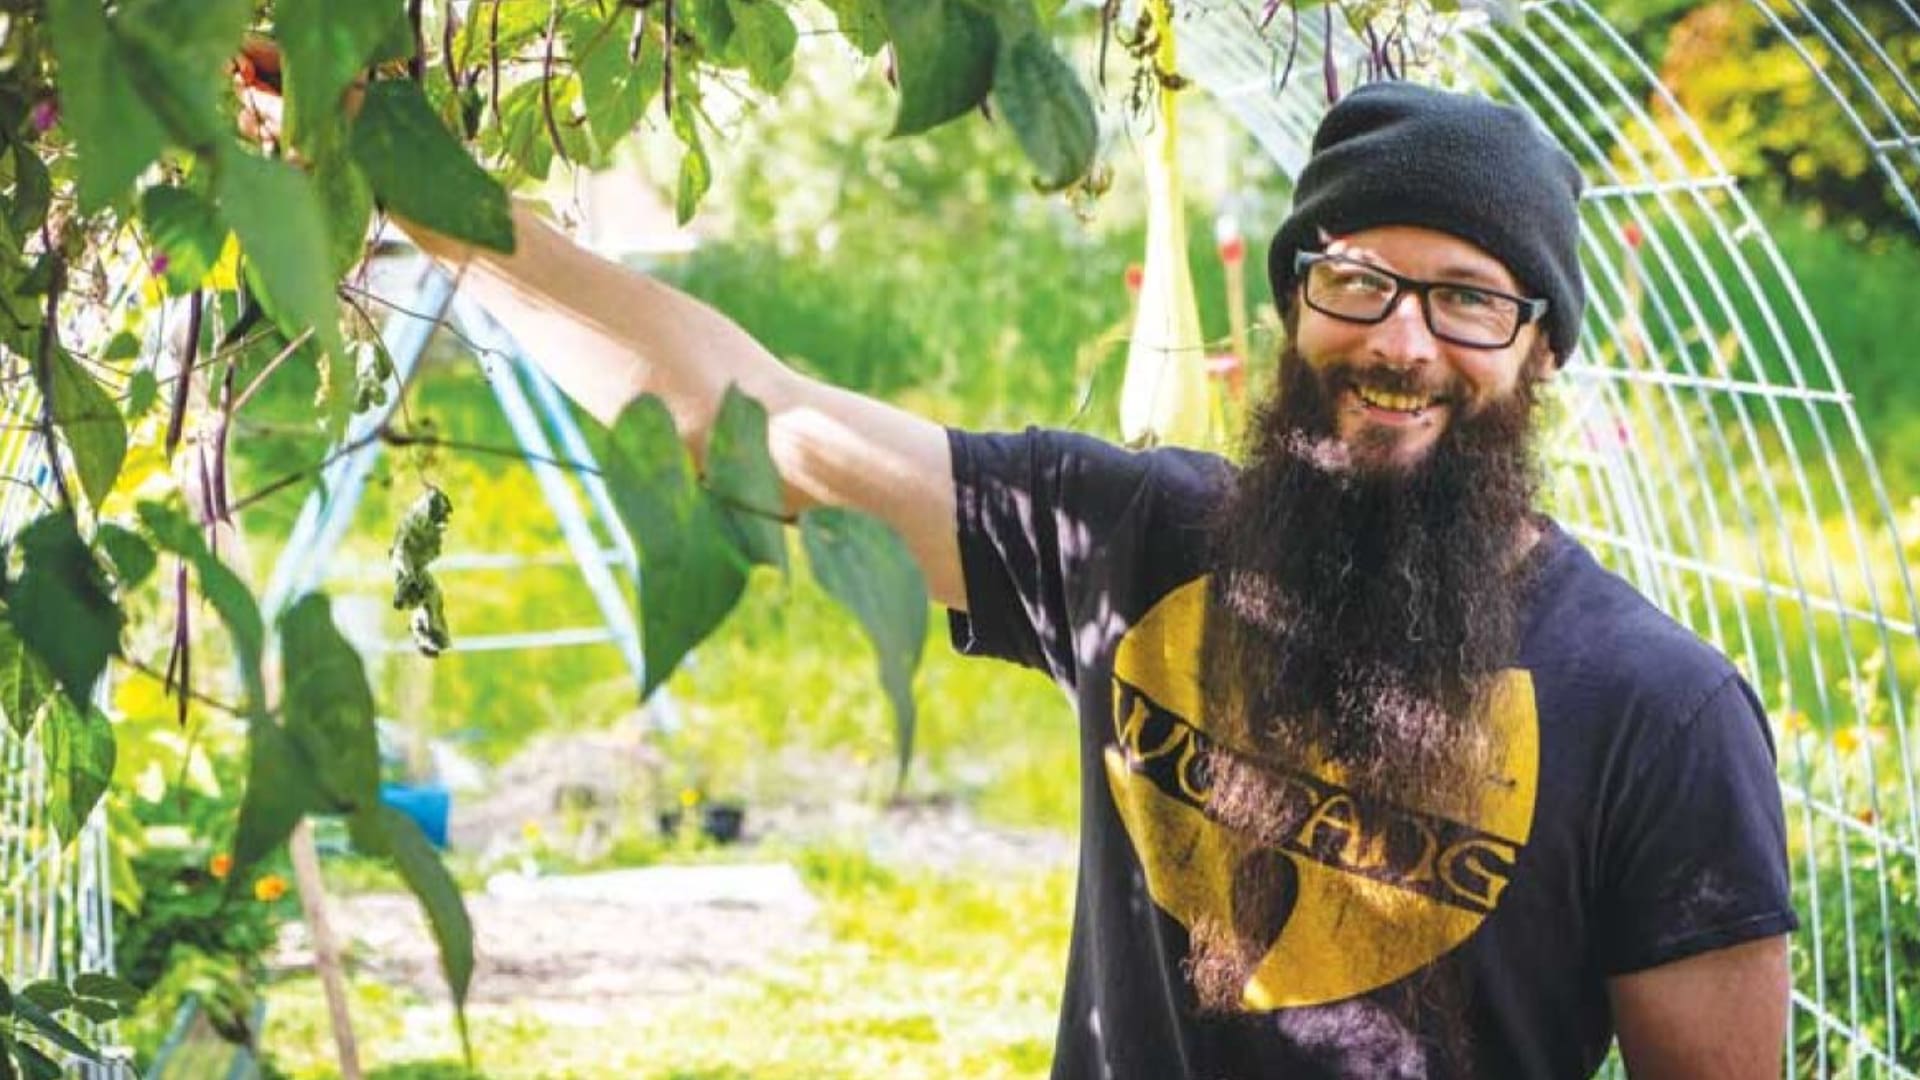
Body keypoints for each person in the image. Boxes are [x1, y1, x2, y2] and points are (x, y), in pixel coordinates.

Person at [243, 62, 1795, 1077]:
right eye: (1360, 278)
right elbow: (758, 418)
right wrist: (429, 202)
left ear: (1538, 356)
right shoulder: (1128, 545)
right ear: (1292, 309)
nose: (1400, 340)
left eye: (1468, 302)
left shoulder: (1659, 712)